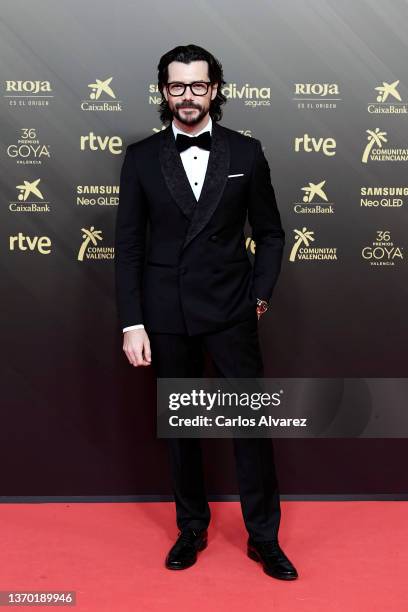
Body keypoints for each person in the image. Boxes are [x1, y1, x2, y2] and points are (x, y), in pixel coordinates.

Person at [114, 43, 298, 580]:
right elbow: (128, 246)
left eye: (198, 85)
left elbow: (270, 233)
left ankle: (264, 537)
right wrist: (132, 322)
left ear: (214, 90)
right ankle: (191, 527)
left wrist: (258, 297)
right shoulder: (142, 157)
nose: (187, 96)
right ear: (164, 91)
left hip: (231, 311)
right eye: (177, 86)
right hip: (166, 315)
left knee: (250, 430)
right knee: (182, 429)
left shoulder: (246, 153)